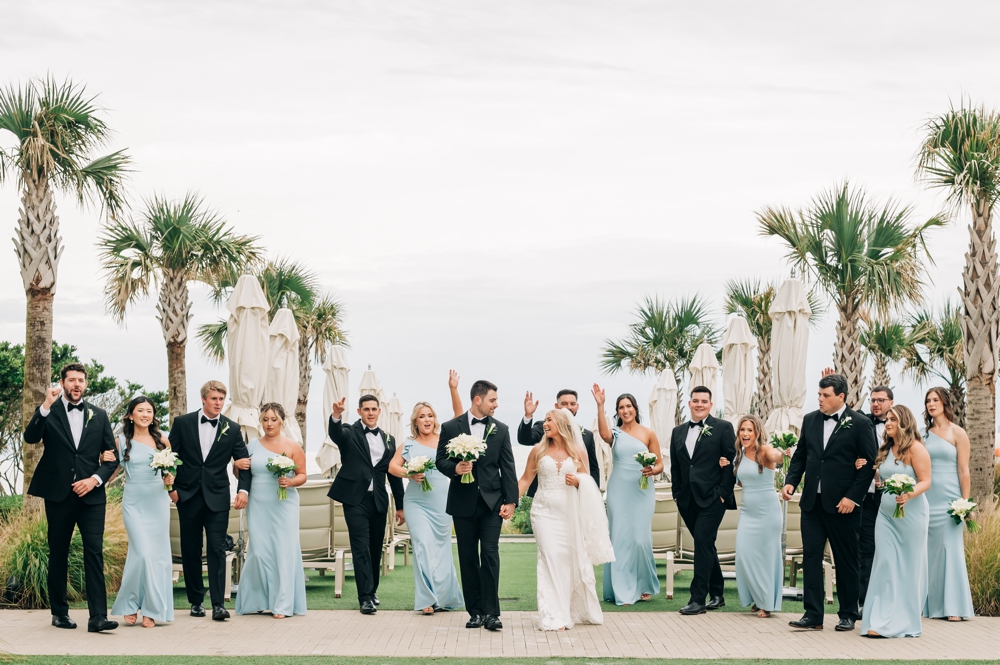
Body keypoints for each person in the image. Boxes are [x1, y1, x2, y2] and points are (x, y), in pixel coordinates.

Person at [23, 362, 119, 632]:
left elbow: (112, 458)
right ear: (62, 383)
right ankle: (59, 613)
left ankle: (98, 617)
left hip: (92, 497)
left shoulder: (99, 415)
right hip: (58, 494)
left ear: (86, 384)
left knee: (94, 553)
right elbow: (30, 437)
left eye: (81, 380)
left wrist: (94, 479)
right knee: (58, 553)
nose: (77, 384)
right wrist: (44, 405)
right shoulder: (48, 411)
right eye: (71, 380)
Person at [781, 373, 876, 632]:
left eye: (826, 396)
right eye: (819, 395)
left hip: (843, 505)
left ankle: (847, 613)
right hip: (811, 503)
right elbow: (801, 455)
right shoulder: (810, 419)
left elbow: (868, 465)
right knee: (811, 558)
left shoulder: (860, 423)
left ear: (841, 397)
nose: (820, 399)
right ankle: (813, 615)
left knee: (846, 560)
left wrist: (852, 498)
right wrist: (791, 481)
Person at [516, 409, 614, 631]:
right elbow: (524, 480)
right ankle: (554, 615)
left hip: (569, 515)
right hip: (543, 512)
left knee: (566, 560)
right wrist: (510, 502)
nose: (545, 423)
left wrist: (578, 481)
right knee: (550, 557)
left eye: (549, 420)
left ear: (561, 423)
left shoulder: (578, 451)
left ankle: (567, 608)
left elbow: (589, 483)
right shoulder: (537, 451)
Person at [436, 380, 517, 632]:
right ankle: (475, 612)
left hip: (492, 503)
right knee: (468, 557)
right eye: (492, 400)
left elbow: (508, 467)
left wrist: (511, 501)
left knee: (490, 555)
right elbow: (440, 460)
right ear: (477, 400)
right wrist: (456, 469)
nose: (496, 404)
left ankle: (492, 613)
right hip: (462, 503)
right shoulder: (451, 427)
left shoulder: (501, 429)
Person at [169, 380, 252, 622]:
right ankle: (196, 601)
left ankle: (218, 604)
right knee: (191, 550)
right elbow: (169, 457)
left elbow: (244, 463)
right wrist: (171, 488)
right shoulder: (182, 423)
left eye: (221, 399)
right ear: (203, 399)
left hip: (217, 498)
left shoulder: (232, 428)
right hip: (187, 496)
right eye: (214, 399)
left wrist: (243, 491)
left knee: (217, 548)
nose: (218, 403)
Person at [327, 395, 405, 614]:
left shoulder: (388, 439)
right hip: (355, 499)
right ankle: (365, 598)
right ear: (359, 411)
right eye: (366, 409)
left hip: (379, 500)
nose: (370, 413)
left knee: (374, 548)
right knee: (360, 547)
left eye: (374, 409)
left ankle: (372, 591)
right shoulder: (349, 433)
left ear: (380, 411)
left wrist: (400, 505)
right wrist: (336, 415)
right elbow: (336, 434)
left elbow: (394, 473)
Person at [824, 367, 892, 610]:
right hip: (865, 497)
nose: (875, 404)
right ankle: (863, 601)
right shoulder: (861, 422)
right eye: (873, 400)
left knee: (885, 549)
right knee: (864, 549)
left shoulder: (898, 428)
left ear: (891, 403)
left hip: (890, 497)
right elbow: (841, 412)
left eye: (880, 400)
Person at [861, 405, 931, 638]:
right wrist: (867, 469)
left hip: (911, 516)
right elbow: (881, 480)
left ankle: (903, 620)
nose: (888, 422)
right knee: (886, 565)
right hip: (886, 516)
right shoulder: (886, 448)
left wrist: (909, 494)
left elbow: (926, 481)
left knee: (907, 568)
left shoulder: (916, 449)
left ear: (904, 423)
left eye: (893, 419)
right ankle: (880, 620)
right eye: (887, 419)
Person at [388, 401, 464, 615]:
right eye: (422, 416)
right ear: (415, 421)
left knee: (441, 549)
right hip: (416, 502)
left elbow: (459, 418)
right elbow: (392, 467)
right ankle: (426, 599)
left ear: (435, 419)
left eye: (430, 415)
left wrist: (453, 390)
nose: (427, 419)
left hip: (441, 502)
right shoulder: (409, 444)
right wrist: (409, 474)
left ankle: (445, 597)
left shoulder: (445, 442)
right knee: (421, 545)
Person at [106, 396, 174, 627]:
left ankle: (152, 610)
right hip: (133, 503)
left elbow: (170, 474)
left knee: (156, 557)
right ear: (130, 415)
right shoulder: (121, 441)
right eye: (140, 410)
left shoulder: (163, 439)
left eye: (149, 411)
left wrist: (171, 479)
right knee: (142, 553)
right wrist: (99, 464)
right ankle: (130, 602)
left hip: (158, 502)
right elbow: (111, 473)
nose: (145, 414)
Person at [235, 403, 308, 618]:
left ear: (282, 421)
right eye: (265, 419)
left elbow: (302, 474)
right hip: (258, 503)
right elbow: (243, 475)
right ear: (261, 421)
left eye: (273, 419)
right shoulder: (253, 445)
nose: (269, 423)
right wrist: (236, 466)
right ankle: (255, 601)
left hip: (284, 505)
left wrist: (290, 482)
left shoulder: (293, 446)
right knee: (259, 551)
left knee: (283, 550)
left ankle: (283, 604)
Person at [669, 386, 737, 615]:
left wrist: (722, 493)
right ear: (689, 403)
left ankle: (698, 599)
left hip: (712, 498)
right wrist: (676, 493)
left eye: (704, 401)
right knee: (705, 543)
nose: (699, 404)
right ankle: (717, 593)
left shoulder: (723, 428)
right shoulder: (677, 431)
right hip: (686, 499)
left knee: (701, 541)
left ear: (710, 403)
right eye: (695, 400)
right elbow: (677, 466)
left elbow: (730, 461)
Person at [593, 384, 662, 605]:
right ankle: (621, 589)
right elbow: (603, 434)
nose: (625, 410)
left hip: (642, 490)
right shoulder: (614, 433)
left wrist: (653, 470)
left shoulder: (648, 433)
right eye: (621, 407)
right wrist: (600, 404)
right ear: (618, 411)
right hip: (619, 490)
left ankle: (643, 584)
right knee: (620, 538)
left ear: (635, 408)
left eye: (628, 406)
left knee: (640, 539)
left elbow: (660, 463)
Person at [922, 387, 975, 621]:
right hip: (927, 499)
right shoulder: (922, 435)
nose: (931, 404)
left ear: (945, 402)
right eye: (928, 401)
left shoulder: (958, 433)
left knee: (951, 551)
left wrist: (965, 503)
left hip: (950, 501)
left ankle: (954, 607)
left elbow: (964, 470)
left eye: (935, 400)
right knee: (929, 552)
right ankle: (931, 606)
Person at [724, 414, 783, 618]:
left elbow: (777, 457)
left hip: (768, 512)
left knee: (766, 557)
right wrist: (726, 465)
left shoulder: (765, 450)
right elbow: (742, 482)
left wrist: (783, 453)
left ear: (757, 432)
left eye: (749, 430)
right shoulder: (738, 455)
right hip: (748, 512)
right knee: (744, 555)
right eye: (742, 430)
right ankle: (756, 596)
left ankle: (766, 603)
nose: (745, 434)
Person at [518, 389, 601, 495]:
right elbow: (525, 439)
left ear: (577, 406)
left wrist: (593, 495)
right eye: (564, 404)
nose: (569, 407)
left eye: (572, 404)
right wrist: (528, 416)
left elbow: (593, 468)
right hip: (544, 495)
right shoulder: (544, 426)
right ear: (556, 406)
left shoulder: (587, 435)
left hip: (575, 495)